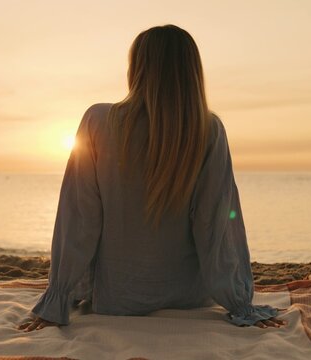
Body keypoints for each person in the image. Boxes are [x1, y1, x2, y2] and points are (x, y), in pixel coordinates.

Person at [18, 24, 286, 332]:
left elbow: (79, 220)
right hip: (191, 298)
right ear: (191, 73)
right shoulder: (208, 130)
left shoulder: (98, 122)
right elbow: (216, 225)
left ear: (137, 68)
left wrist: (59, 297)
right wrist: (239, 302)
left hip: (116, 299)